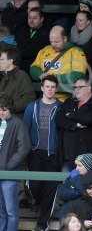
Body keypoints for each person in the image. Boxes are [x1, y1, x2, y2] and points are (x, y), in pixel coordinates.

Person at [23, 74, 61, 230]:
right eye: (47, 86)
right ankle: (35, 203)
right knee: (35, 185)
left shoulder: (61, 107)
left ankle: (42, 224)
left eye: (53, 87)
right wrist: (27, 151)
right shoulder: (32, 106)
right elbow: (25, 130)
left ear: (56, 89)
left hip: (53, 154)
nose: (50, 90)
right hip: (35, 152)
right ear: (42, 88)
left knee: (50, 189)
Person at [56, 78, 92, 171]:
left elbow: (90, 119)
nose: (76, 89)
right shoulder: (69, 102)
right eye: (75, 87)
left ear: (89, 88)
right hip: (69, 155)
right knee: (68, 183)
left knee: (87, 184)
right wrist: (76, 125)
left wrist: (70, 115)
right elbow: (59, 119)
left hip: (89, 158)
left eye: (80, 87)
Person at [30, 25, 88, 100]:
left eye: (57, 42)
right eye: (51, 41)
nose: (53, 45)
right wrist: (41, 75)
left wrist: (54, 78)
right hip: (44, 99)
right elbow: (33, 68)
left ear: (65, 39)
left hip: (65, 99)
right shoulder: (45, 50)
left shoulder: (76, 52)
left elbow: (78, 75)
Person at [0, 94, 30, 231]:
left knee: (11, 211)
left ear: (10, 109)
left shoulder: (18, 123)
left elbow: (24, 148)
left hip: (10, 174)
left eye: (4, 109)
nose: (1, 112)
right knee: (1, 211)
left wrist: (8, 165)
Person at [0, 45, 36, 115]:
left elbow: (29, 98)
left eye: (1, 59)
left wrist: (9, 108)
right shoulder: (2, 76)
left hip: (13, 116)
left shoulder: (22, 76)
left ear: (10, 61)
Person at [15, 6, 50, 73]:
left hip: (35, 65)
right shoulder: (23, 29)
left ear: (41, 19)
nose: (31, 20)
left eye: (34, 18)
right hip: (20, 62)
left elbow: (34, 51)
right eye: (29, 18)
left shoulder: (47, 33)